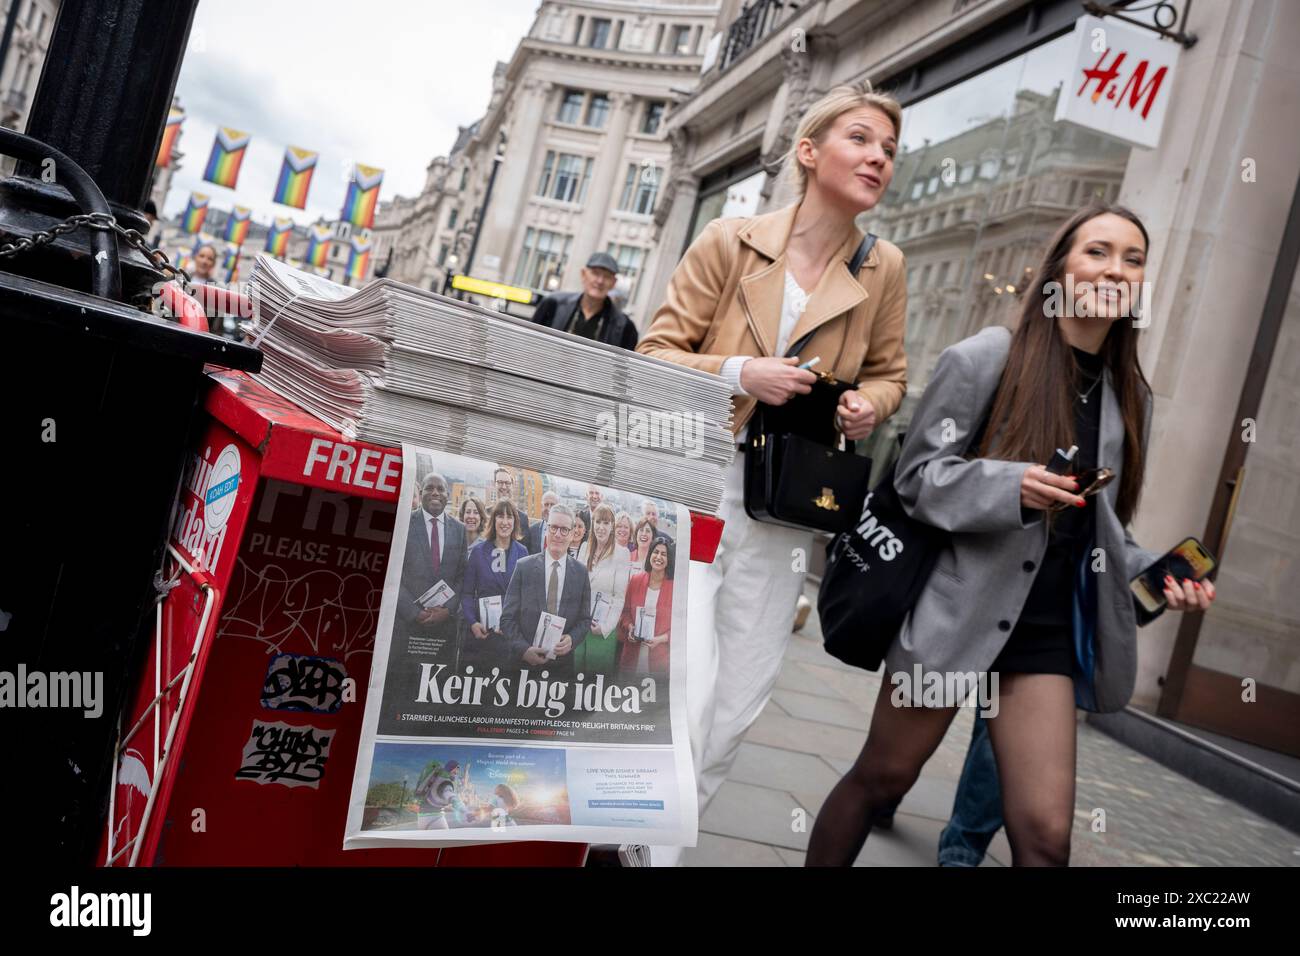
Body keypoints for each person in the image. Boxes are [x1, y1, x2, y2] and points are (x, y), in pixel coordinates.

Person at [806, 204, 1218, 867]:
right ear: (1061, 267)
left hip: (1044, 633)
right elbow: (917, 477)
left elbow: (1101, 527)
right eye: (1099, 252)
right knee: (882, 777)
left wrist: (1159, 575)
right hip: (957, 609)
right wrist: (1010, 488)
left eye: (1133, 259)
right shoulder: (985, 357)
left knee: (1045, 839)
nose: (1115, 268)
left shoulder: (1123, 395)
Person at [636, 83, 910, 851]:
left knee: (738, 703)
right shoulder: (729, 239)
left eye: (889, 150)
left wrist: (871, 406)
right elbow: (654, 353)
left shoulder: (882, 266)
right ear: (810, 151)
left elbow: (891, 373)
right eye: (862, 140)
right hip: (692, 484)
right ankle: (646, 849)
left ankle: (658, 838)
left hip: (782, 506)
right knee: (682, 694)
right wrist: (738, 373)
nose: (879, 158)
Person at [393, 473, 468, 698]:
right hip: (409, 627)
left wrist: (448, 610)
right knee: (402, 691)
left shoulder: (459, 529)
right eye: (429, 488)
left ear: (447, 495)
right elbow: (394, 572)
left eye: (441, 489)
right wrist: (414, 612)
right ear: (421, 492)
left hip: (443, 629)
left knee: (435, 691)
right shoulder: (404, 522)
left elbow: (462, 577)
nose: (435, 492)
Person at [499, 504, 592, 682]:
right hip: (523, 666)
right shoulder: (523, 567)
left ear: (573, 534)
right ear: (547, 530)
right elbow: (507, 619)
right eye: (554, 528)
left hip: (561, 669)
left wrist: (572, 639)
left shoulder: (581, 573)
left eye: (564, 530)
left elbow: (585, 620)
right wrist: (524, 650)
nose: (558, 534)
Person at [460, 499, 529, 670]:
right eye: (500, 516)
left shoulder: (523, 552)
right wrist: (472, 622)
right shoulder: (478, 552)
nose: (505, 522)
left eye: (509, 517)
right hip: (483, 635)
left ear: (515, 522)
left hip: (510, 636)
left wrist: (515, 625)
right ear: (493, 521)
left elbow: (526, 597)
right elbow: (467, 593)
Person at [530, 251, 639, 350]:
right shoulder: (553, 304)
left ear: (614, 283)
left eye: (607, 276)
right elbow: (530, 343)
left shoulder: (625, 326)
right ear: (583, 274)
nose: (600, 281)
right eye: (595, 273)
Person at [573, 503, 632, 679]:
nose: (601, 527)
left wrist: (605, 627)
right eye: (598, 522)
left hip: (602, 628)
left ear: (612, 526)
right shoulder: (584, 548)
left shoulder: (622, 554)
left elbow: (619, 597)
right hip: (580, 626)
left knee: (595, 682)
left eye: (606, 523)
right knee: (576, 678)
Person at [617, 537, 674, 679]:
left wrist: (661, 639)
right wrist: (630, 626)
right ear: (650, 555)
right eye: (656, 552)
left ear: (669, 559)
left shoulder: (674, 588)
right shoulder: (635, 581)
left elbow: (680, 625)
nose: (659, 557)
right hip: (632, 654)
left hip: (659, 658)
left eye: (664, 554)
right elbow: (625, 612)